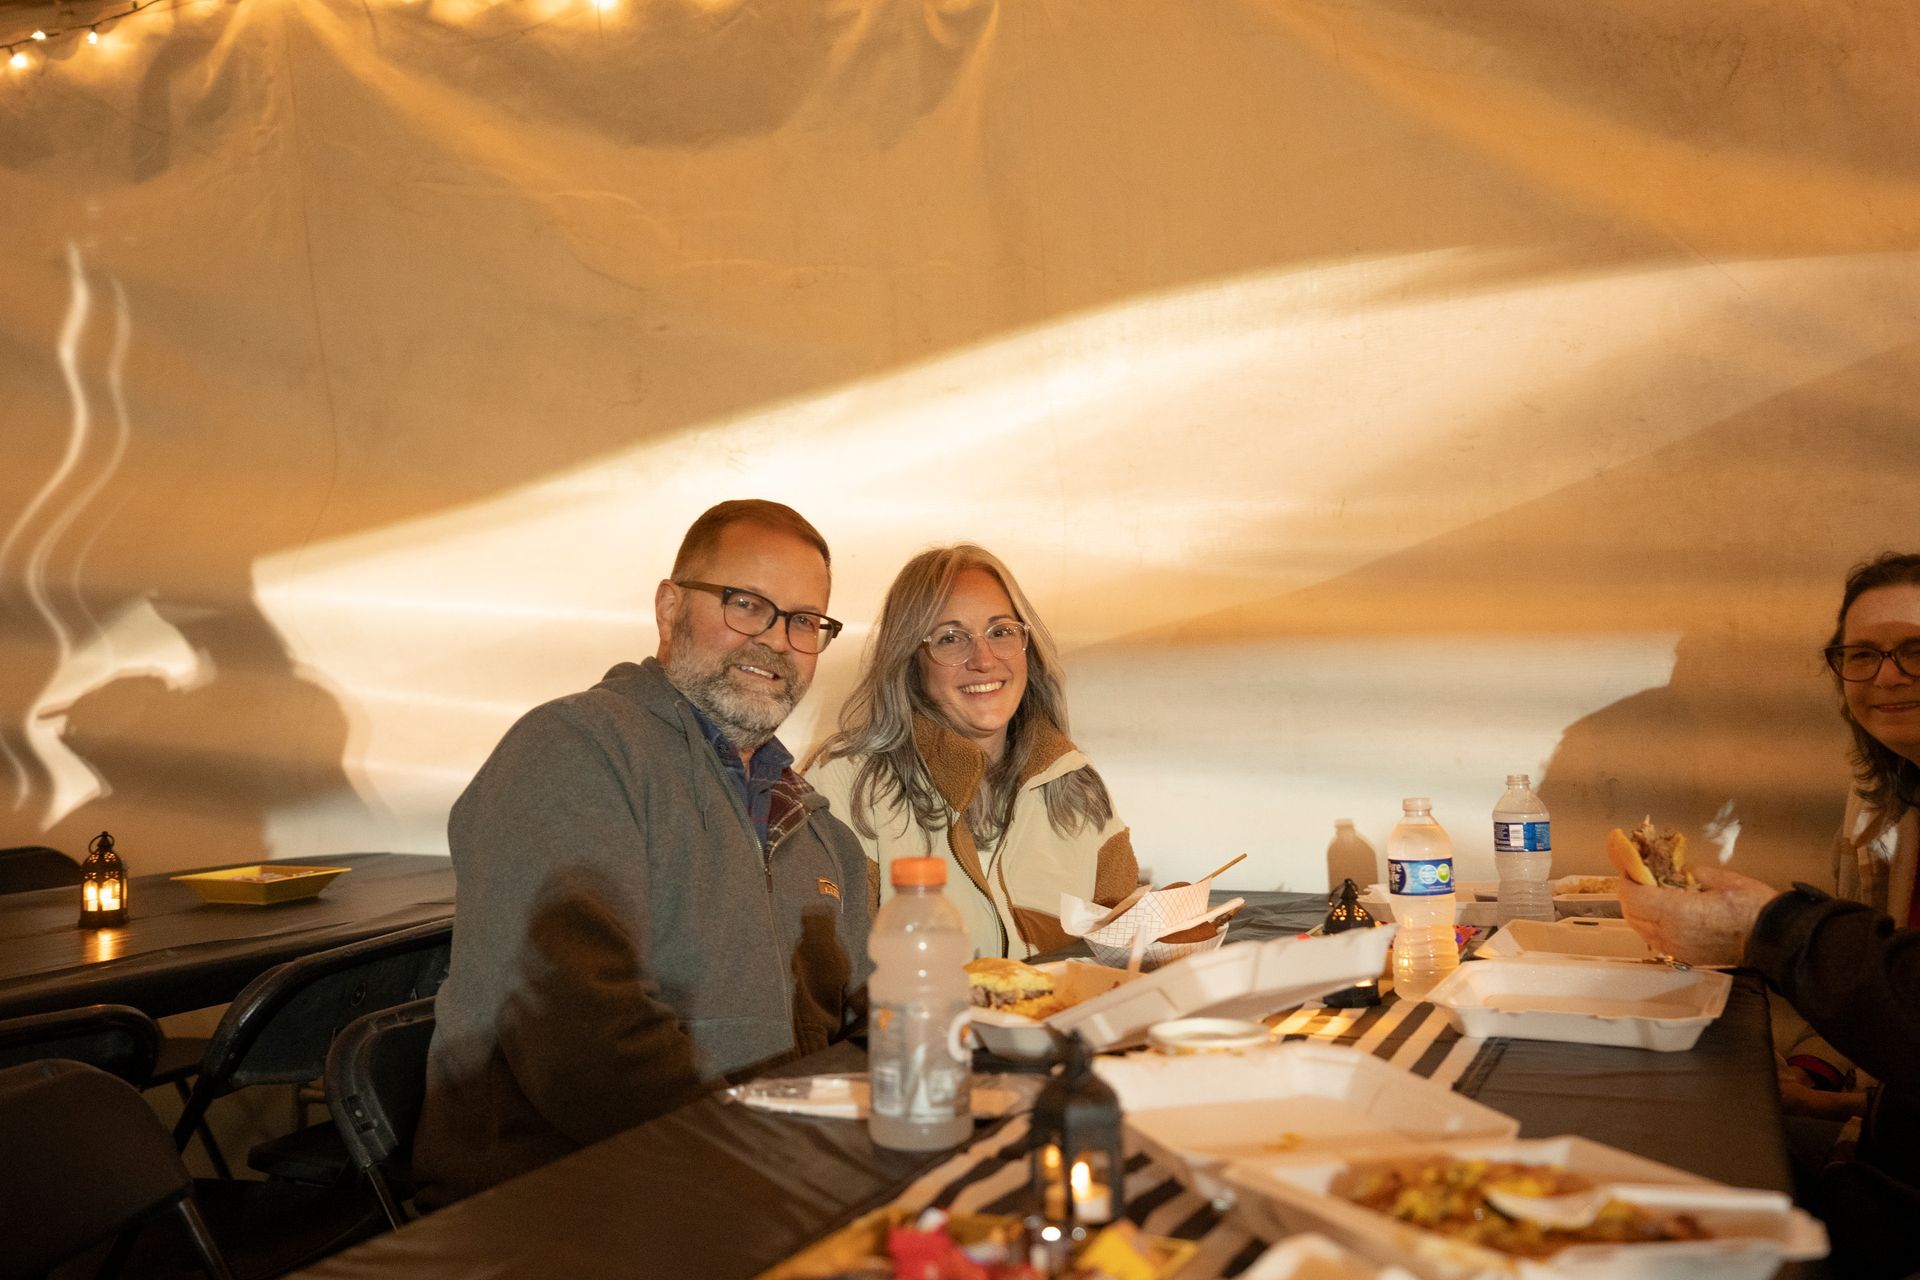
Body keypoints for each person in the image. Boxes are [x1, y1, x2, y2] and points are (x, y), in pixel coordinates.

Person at [412, 500, 873, 1208]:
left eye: (805, 621)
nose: (777, 640)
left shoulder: (817, 829)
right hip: (566, 1211)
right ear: (669, 608)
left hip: (763, 1186)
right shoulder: (574, 751)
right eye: (747, 604)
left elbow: (869, 1021)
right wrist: (772, 1169)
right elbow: (583, 1042)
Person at [1615, 551, 1920, 1277]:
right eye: (1863, 655)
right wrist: (1824, 1087)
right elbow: (1886, 979)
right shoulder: (1892, 805)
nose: (1885, 677)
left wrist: (1770, 927)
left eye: (1915, 650)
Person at [806, 545, 1137, 959]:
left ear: (1027, 648)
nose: (983, 659)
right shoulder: (844, 780)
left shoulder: (1076, 784)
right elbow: (835, 973)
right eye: (950, 638)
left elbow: (1125, 959)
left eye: (1001, 631)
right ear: (910, 661)